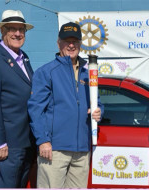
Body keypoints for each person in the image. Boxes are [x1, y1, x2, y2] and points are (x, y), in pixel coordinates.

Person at [28, 22, 104, 188]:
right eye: (67, 41)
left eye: (75, 41)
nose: (71, 45)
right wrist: (43, 141)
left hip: (82, 150)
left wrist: (98, 111)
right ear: (58, 43)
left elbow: (96, 102)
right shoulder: (47, 71)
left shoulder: (88, 72)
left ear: (80, 44)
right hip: (55, 149)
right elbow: (36, 110)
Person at [0, 10, 35, 188]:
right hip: (9, 144)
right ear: (2, 31)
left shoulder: (23, 57)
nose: (18, 34)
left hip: (26, 141)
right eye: (12, 29)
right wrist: (0, 142)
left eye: (21, 30)